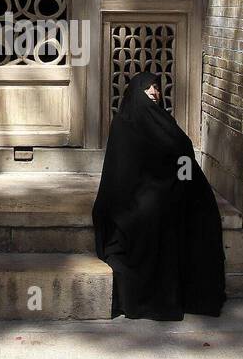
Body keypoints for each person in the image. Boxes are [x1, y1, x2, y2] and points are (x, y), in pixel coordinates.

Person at [91, 71, 226, 320]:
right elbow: (119, 178)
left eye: (156, 87)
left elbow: (185, 159)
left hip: (170, 195)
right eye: (148, 88)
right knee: (150, 217)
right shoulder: (124, 125)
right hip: (134, 203)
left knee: (192, 215)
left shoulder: (165, 122)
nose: (154, 92)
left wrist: (180, 186)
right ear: (135, 93)